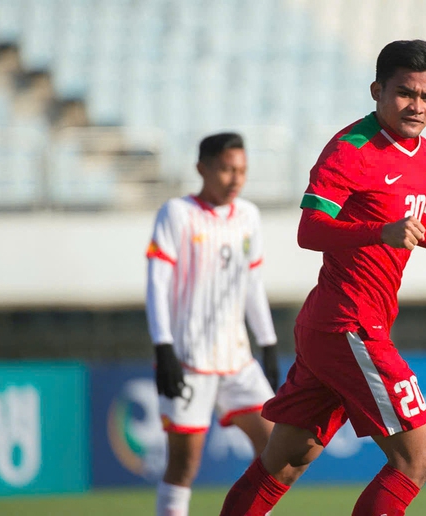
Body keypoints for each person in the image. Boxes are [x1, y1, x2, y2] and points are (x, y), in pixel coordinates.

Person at [219, 40, 426, 516]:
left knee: (283, 464)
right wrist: (379, 232)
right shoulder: (350, 149)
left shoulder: (424, 155)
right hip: (350, 325)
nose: (417, 107)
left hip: (336, 329)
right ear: (377, 90)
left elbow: (415, 222)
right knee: (417, 461)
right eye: (405, 93)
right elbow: (309, 230)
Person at [146, 132, 280, 516]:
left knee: (276, 451)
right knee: (184, 464)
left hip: (238, 360)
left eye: (241, 170)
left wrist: (268, 344)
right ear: (202, 168)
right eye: (225, 169)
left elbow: (252, 283)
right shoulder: (176, 213)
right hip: (189, 361)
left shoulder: (249, 216)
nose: (235, 178)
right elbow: (157, 282)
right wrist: (163, 345)